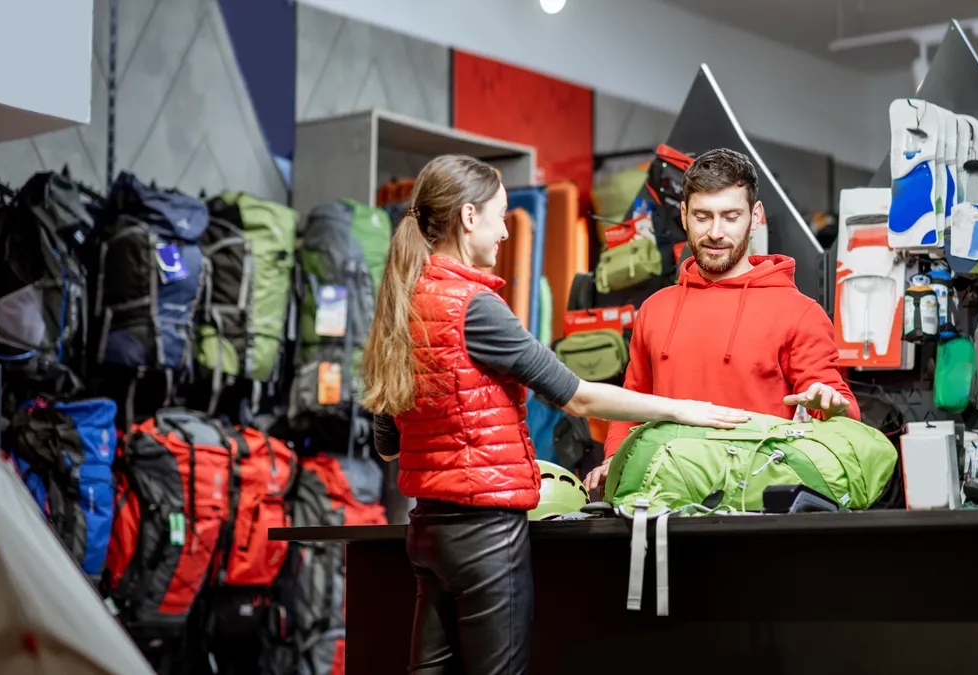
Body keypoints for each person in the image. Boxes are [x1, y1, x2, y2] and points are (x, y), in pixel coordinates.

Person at [361, 154, 750, 675]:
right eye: (500, 215)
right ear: (469, 218)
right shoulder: (474, 307)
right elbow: (579, 397)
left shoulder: (405, 301)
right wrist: (686, 409)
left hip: (428, 531)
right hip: (484, 536)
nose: (505, 231)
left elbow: (389, 443)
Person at [584, 148, 860, 493]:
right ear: (684, 215)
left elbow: (842, 413)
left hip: (753, 503)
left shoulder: (799, 312)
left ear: (755, 216)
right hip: (663, 499)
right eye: (703, 216)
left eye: (730, 217)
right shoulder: (655, 309)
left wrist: (832, 407)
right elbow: (634, 400)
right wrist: (614, 457)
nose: (715, 232)